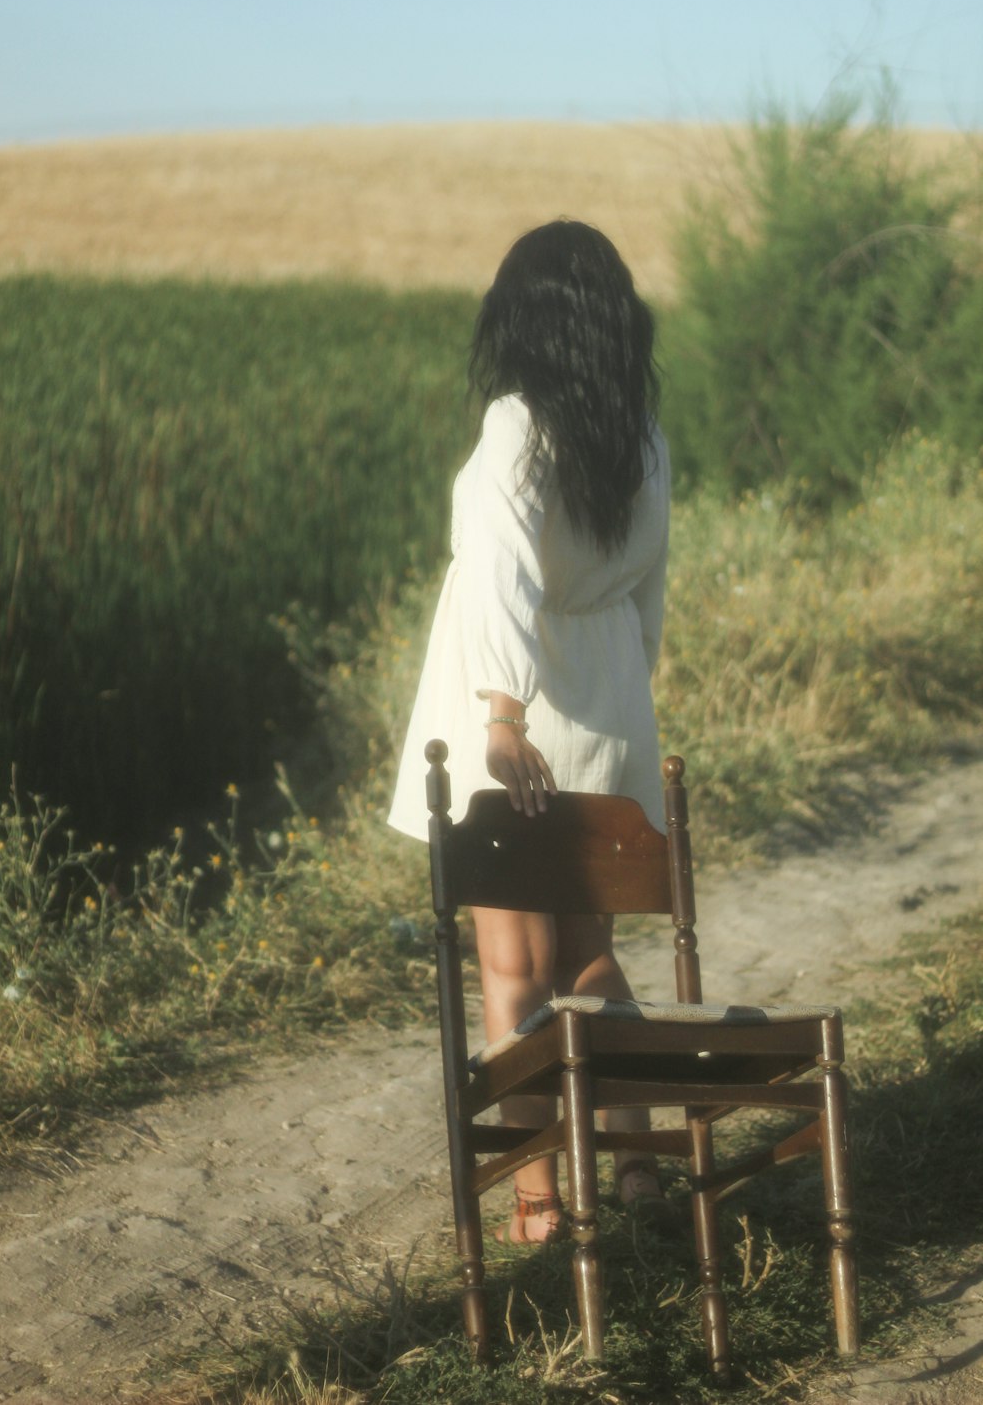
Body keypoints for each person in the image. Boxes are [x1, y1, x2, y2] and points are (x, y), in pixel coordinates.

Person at [388, 219, 671, 1243]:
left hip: (512, 703)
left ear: (528, 319)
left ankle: (540, 1197)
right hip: (606, 697)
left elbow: (501, 571)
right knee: (586, 951)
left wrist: (502, 714)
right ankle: (639, 1164)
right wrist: (625, 687)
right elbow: (649, 584)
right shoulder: (637, 430)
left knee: (515, 965)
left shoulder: (518, 423)